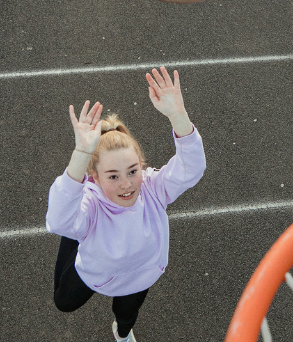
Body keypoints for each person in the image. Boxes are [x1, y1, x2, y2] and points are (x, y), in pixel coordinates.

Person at [46, 66, 206, 342]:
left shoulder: (152, 188)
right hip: (95, 272)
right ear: (93, 178)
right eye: (113, 176)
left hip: (140, 276)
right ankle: (76, 236)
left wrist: (178, 116)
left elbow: (191, 168)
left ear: (141, 166)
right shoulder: (93, 204)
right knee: (63, 301)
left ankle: (121, 335)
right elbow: (58, 221)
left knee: (126, 316)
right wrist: (82, 153)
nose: (126, 184)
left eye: (133, 171)